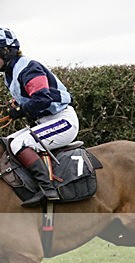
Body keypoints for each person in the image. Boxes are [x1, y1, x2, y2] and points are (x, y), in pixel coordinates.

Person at [0, 28, 79, 207]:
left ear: (5, 51)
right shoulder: (11, 72)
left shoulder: (28, 67)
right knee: (9, 141)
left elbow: (43, 98)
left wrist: (19, 110)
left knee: (18, 144)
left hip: (62, 121)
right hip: (47, 121)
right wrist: (16, 105)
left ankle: (47, 189)